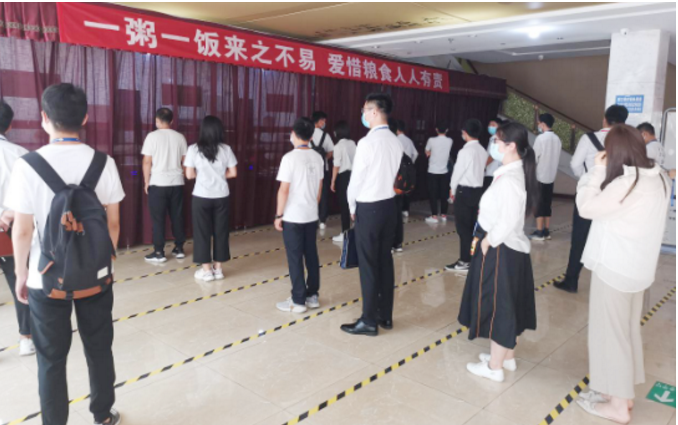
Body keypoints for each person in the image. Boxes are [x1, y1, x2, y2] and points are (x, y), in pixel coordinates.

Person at [6, 83, 123, 425]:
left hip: (46, 279)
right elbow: (113, 224)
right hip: (96, 277)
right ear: (85, 118)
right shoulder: (104, 162)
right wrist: (103, 262)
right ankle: (103, 414)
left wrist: (22, 273)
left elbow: (22, 230)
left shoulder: (28, 165)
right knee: (99, 347)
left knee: (51, 359)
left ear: (44, 118)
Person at [575, 125, 670, 424]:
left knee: (610, 336)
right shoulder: (659, 177)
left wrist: (596, 172)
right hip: (637, 269)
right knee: (626, 332)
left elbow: (586, 207)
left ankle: (617, 406)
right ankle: (621, 394)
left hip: (614, 269)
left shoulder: (627, 184)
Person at [458, 122, 538, 383]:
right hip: (508, 248)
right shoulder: (511, 173)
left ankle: (494, 367)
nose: (493, 144)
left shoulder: (512, 179)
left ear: (511, 146)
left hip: (501, 248)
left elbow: (508, 220)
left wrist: (489, 241)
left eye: (497, 141)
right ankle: (507, 357)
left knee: (499, 308)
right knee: (509, 304)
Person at [341, 93, 403, 336]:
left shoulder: (367, 142)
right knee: (385, 261)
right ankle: (385, 315)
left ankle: (368, 320)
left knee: (368, 264)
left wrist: (352, 207)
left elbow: (356, 180)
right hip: (389, 206)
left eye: (365, 110)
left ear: (375, 112)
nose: (363, 114)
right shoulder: (395, 141)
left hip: (369, 207)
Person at [554, 105, 628, 293]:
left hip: (589, 195)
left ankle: (571, 280)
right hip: (614, 196)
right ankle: (606, 284)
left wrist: (587, 180)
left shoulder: (589, 138)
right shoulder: (627, 141)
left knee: (580, 238)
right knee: (608, 237)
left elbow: (575, 163)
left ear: (605, 119)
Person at [275, 117, 324, 313]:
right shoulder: (318, 157)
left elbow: (283, 190)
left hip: (293, 216)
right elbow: (319, 189)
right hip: (311, 214)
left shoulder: (289, 158)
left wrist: (278, 215)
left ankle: (298, 300)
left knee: (295, 257)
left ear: (293, 134)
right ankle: (312, 295)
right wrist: (311, 206)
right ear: (311, 136)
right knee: (311, 254)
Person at [184, 116, 238, 282]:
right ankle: (218, 269)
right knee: (221, 232)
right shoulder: (226, 149)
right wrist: (219, 176)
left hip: (201, 196)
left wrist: (204, 176)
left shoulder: (193, 149)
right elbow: (233, 173)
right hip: (221, 196)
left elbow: (189, 175)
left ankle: (206, 271)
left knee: (202, 233)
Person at [0, 100, 35, 356]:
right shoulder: (21, 155)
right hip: (12, 227)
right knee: (19, 280)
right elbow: (30, 198)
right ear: (10, 125)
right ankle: (26, 338)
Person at [142, 107, 188, 263]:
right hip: (177, 183)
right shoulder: (180, 137)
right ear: (172, 121)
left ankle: (159, 252)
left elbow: (147, 161)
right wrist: (182, 176)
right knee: (177, 216)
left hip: (158, 183)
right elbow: (185, 161)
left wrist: (146, 181)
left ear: (157, 120)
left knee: (158, 219)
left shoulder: (152, 137)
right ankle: (179, 248)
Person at [446, 119, 488, 273]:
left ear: (465, 132)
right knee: (471, 228)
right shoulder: (482, 150)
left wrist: (452, 188)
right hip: (477, 192)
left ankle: (464, 261)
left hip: (464, 192)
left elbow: (458, 172)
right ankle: (471, 259)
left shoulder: (465, 151)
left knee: (463, 229)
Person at [530, 113, 562, 241]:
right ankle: (546, 231)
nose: (538, 125)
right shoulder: (557, 139)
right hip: (551, 176)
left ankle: (539, 232)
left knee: (538, 203)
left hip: (540, 176)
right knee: (547, 204)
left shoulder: (541, 139)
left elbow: (534, 158)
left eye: (538, 123)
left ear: (543, 124)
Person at [330, 121, 356, 242]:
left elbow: (336, 166)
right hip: (354, 176)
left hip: (343, 177)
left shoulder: (338, 146)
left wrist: (333, 181)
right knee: (353, 204)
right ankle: (355, 230)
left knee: (344, 206)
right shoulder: (353, 143)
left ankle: (345, 233)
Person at [424, 120, 453, 223]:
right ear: (447, 130)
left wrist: (431, 153)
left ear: (436, 129)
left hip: (432, 170)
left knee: (433, 194)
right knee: (444, 193)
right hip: (444, 171)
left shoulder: (431, 140)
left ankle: (434, 216)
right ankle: (444, 214)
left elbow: (427, 152)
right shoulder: (450, 141)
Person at [311, 111, 335, 230]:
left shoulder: (306, 133)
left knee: (310, 192)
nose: (325, 123)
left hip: (309, 170)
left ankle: (311, 217)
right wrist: (324, 158)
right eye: (324, 121)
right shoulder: (326, 136)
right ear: (319, 121)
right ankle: (322, 220)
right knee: (323, 194)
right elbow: (331, 152)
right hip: (322, 168)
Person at [389, 118, 405, 252]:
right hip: (399, 184)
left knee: (387, 217)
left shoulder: (387, 143)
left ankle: (389, 244)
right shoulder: (399, 143)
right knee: (397, 215)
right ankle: (398, 243)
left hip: (388, 186)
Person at [396, 119, 418, 217]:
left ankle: (398, 209)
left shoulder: (396, 140)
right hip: (408, 168)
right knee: (407, 188)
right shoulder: (409, 140)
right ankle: (406, 209)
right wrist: (411, 162)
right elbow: (416, 153)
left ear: (397, 129)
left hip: (398, 168)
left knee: (398, 187)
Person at [483, 117, 503, 192]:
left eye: (493, 125)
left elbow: (492, 156)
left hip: (493, 173)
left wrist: (483, 165)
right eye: (489, 124)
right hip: (490, 172)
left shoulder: (496, 140)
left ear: (499, 127)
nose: (490, 126)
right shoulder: (492, 139)